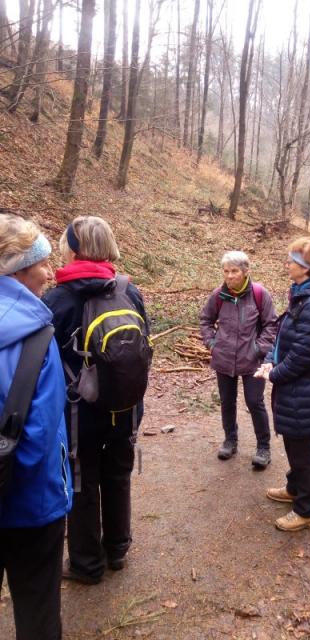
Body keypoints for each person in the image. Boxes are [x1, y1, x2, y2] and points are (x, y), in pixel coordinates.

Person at [43, 215, 150, 584]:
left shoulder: (58, 298)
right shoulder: (127, 290)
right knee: (118, 475)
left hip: (79, 414)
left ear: (74, 248)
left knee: (82, 482)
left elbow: (45, 362)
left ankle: (87, 565)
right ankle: (117, 549)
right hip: (125, 407)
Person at [0, 212, 73, 640]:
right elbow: (40, 438)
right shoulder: (36, 336)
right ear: (18, 269)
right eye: (43, 263)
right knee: (38, 611)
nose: (51, 272)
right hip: (31, 506)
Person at [255, 236, 310, 531]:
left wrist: (273, 374)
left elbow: (302, 356)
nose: (286, 264)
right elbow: (283, 340)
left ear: (305, 268)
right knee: (295, 444)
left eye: (291, 260)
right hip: (296, 389)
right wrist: (270, 359)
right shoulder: (301, 294)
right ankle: (294, 489)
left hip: (306, 391)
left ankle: (306, 511)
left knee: (304, 451)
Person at [200, 251, 277, 469]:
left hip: (252, 360)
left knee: (255, 402)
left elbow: (272, 324)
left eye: (234, 271)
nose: (230, 276)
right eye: (226, 271)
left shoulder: (260, 294)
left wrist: (258, 348)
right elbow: (205, 320)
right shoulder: (218, 296)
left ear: (245, 272)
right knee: (227, 401)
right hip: (223, 359)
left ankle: (263, 447)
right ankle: (230, 441)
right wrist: (212, 344)